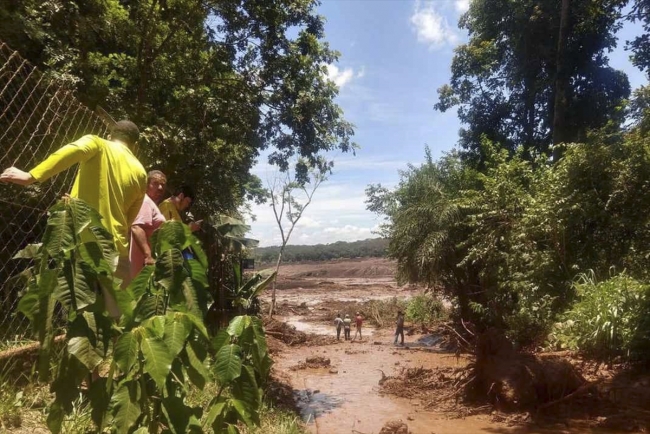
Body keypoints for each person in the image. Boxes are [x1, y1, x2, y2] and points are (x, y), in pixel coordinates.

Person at [0, 120, 147, 316]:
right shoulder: (141, 173)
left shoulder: (97, 143)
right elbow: (129, 219)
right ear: (135, 145)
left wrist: (31, 176)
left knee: (81, 312)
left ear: (111, 135)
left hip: (83, 243)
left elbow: (71, 151)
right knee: (119, 314)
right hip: (115, 248)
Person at [130, 170, 167, 278]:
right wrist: (148, 256)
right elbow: (137, 227)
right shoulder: (145, 201)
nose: (160, 188)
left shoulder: (150, 203)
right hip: (143, 265)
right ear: (146, 185)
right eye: (155, 183)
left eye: (162, 185)